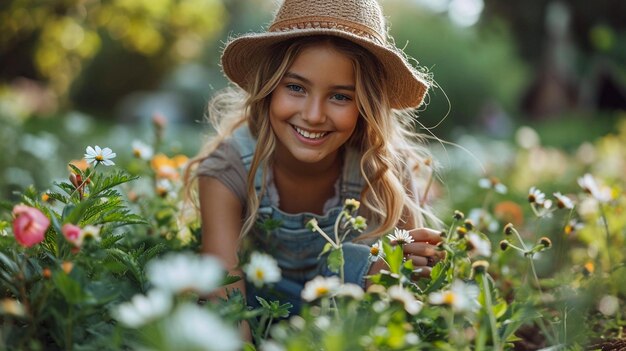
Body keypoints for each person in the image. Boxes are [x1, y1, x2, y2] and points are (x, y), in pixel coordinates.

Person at [185, 0, 443, 318]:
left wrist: (400, 264)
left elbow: (405, 293)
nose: (313, 115)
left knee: (355, 259)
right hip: (263, 307)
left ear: (366, 105)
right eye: (295, 87)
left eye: (340, 96)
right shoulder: (228, 167)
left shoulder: (384, 168)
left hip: (348, 317)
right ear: (268, 88)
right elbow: (223, 289)